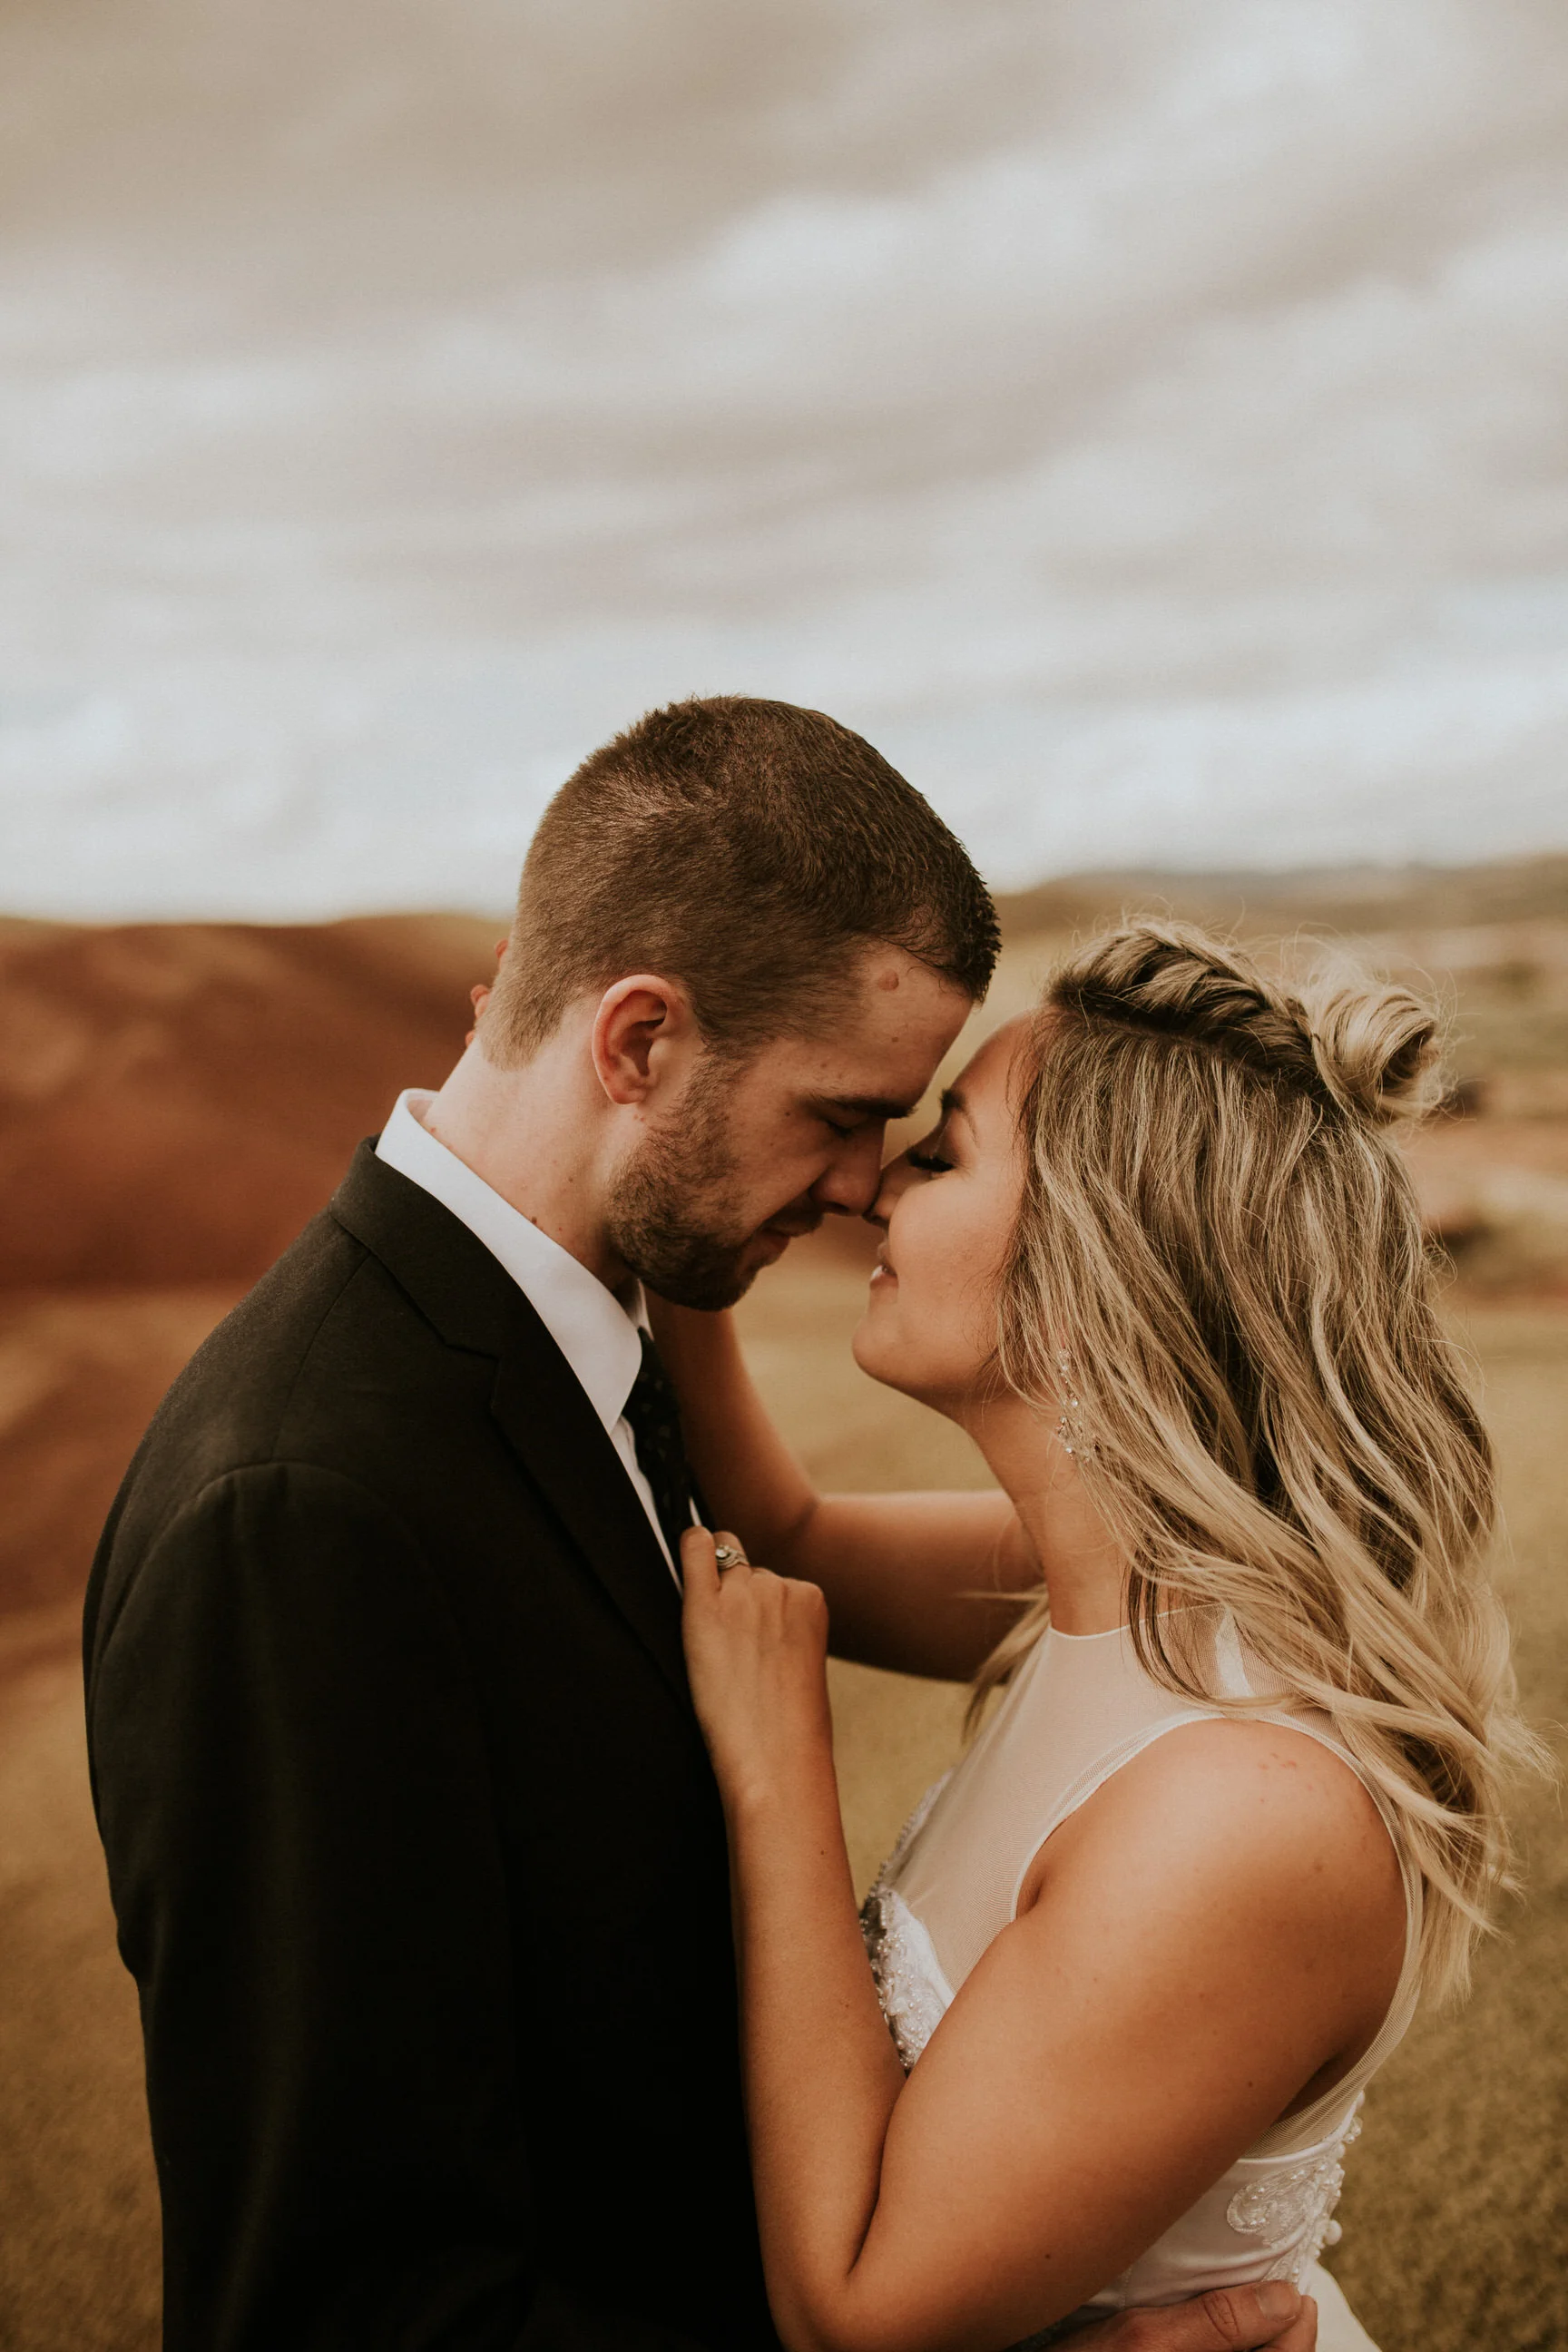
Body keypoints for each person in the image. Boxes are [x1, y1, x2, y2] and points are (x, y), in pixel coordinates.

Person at [83, 701, 1310, 2352]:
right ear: (640, 1044)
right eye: (842, 1112)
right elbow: (359, 2307)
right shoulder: (305, 1513)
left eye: (910, 1131)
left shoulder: (579, 1347)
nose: (868, 1181)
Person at [664, 921, 1537, 2352]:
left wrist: (776, 1775)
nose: (882, 1184)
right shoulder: (1115, 1591)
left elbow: (855, 2315)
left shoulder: (1241, 1810)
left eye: (944, 1155)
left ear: (1089, 1271)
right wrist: (679, 1204)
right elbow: (787, 1524)